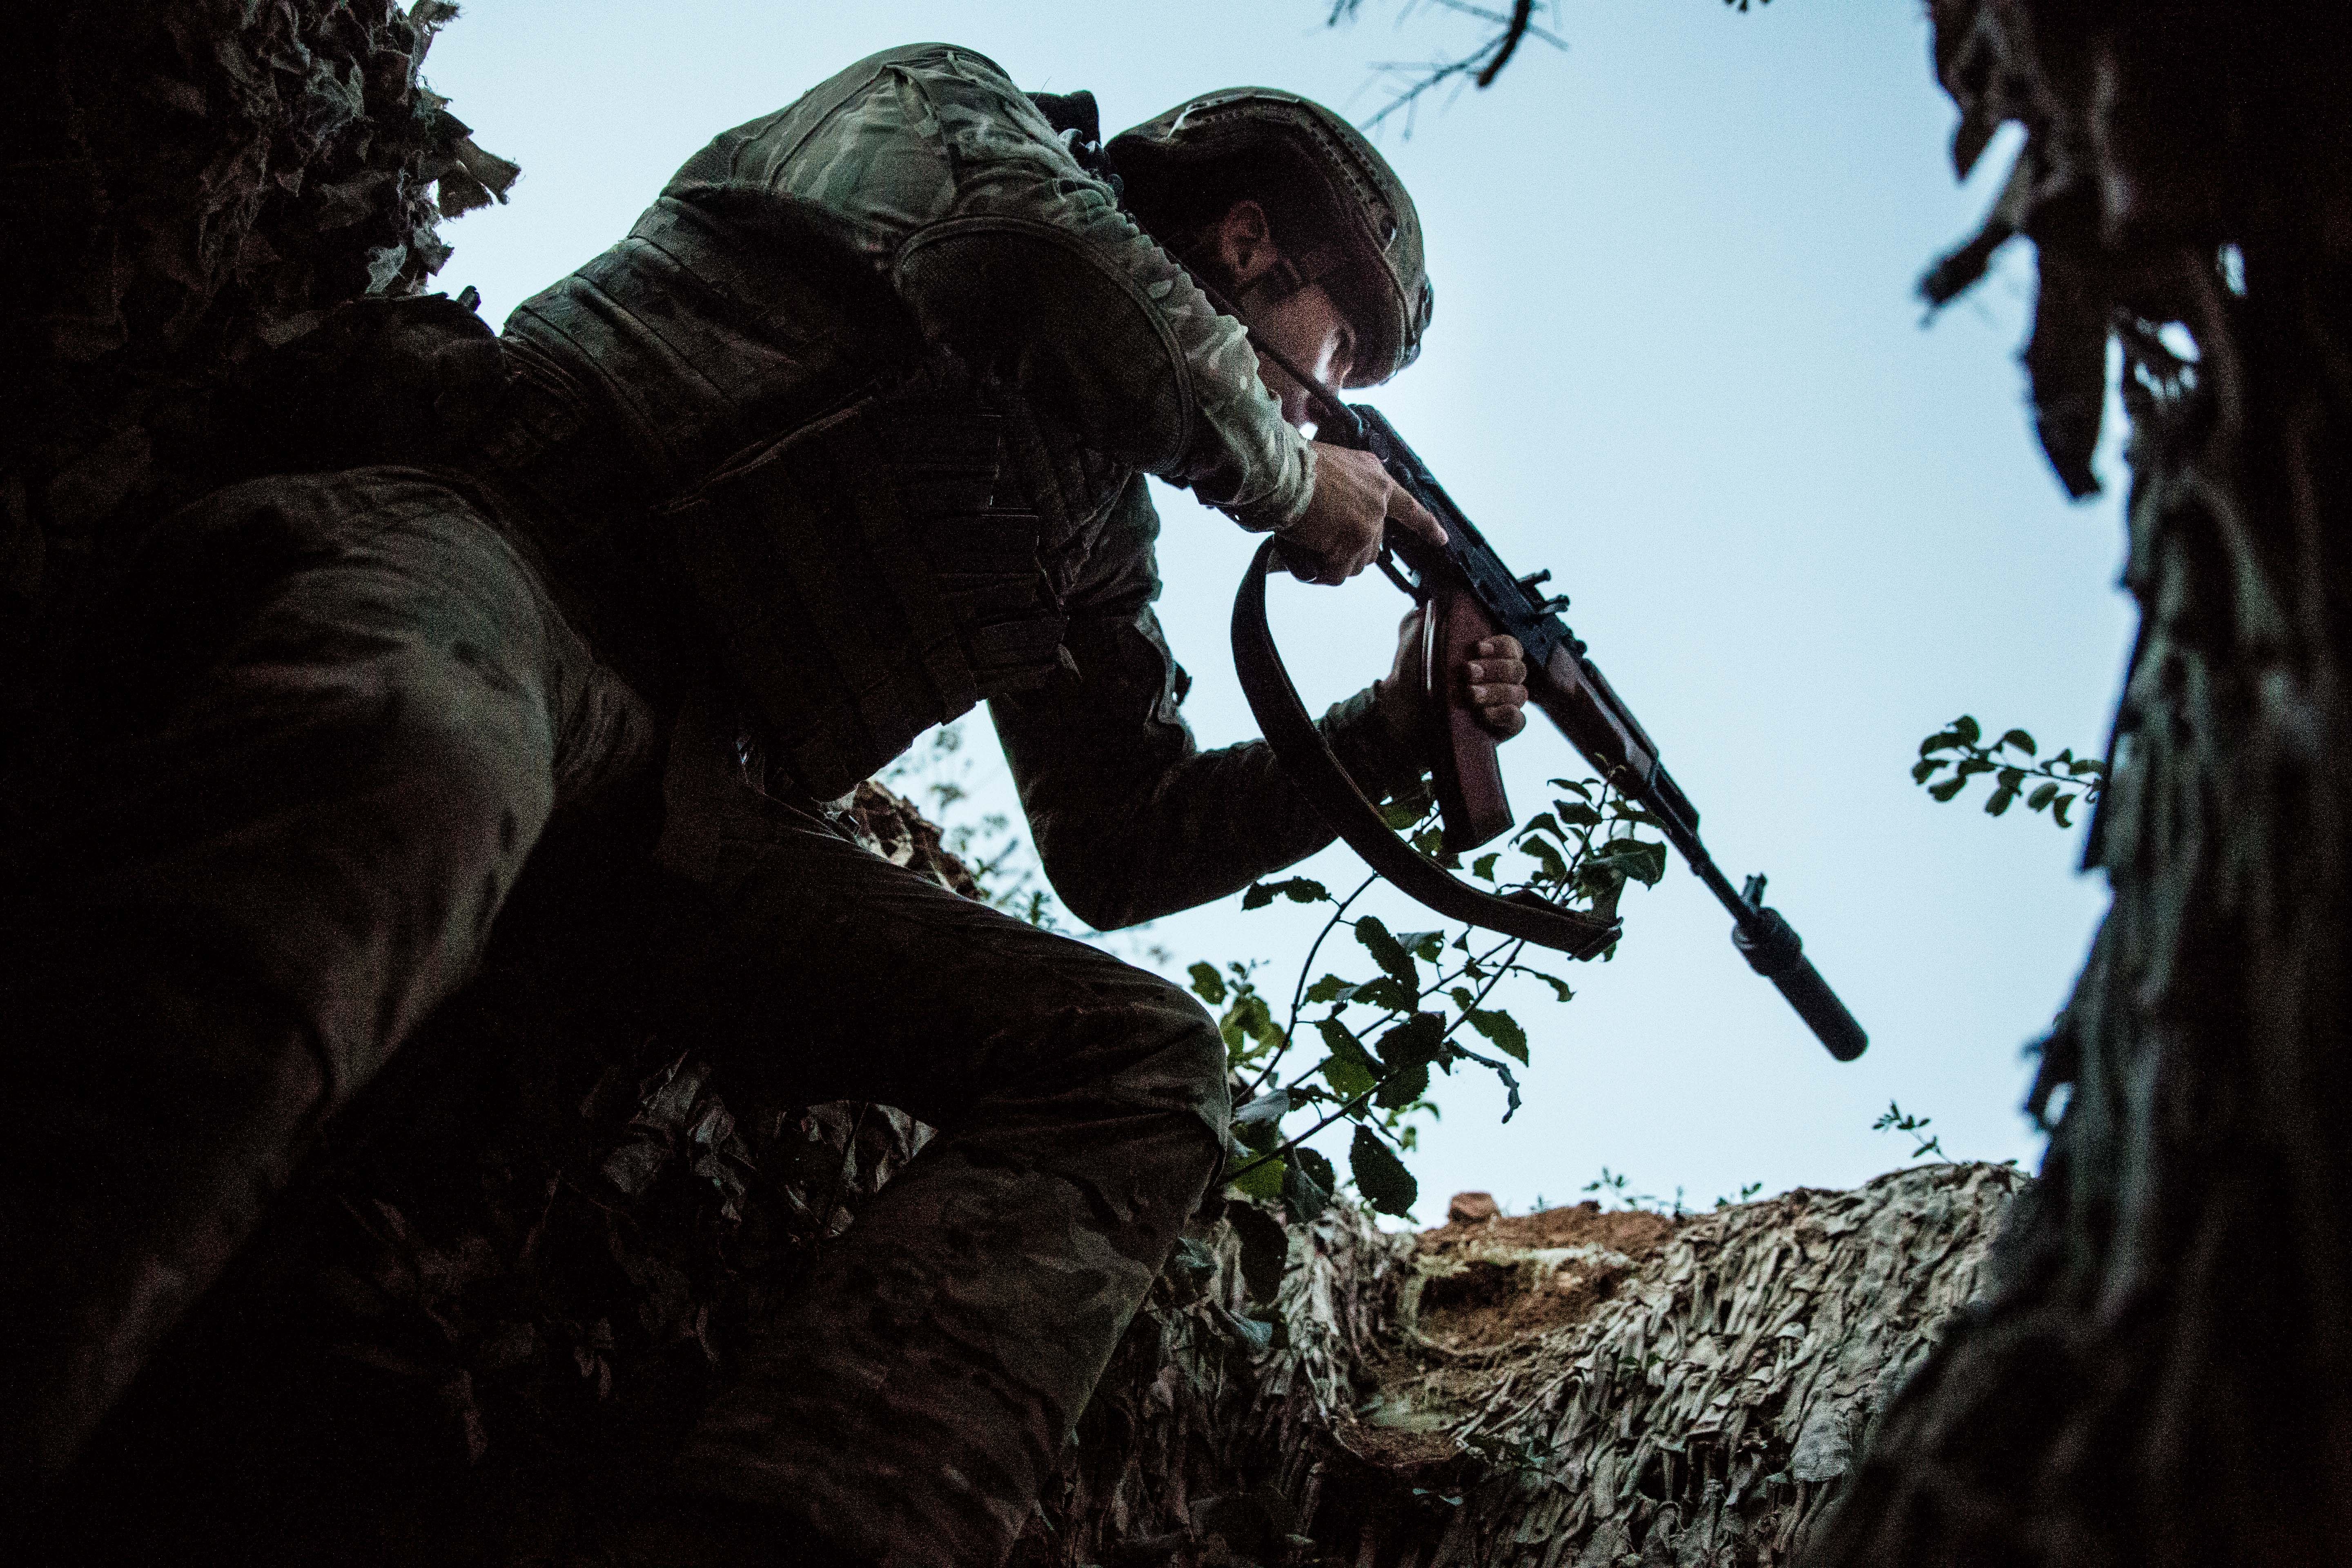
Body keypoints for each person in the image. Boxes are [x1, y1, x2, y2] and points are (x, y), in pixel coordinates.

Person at [0, 41, 1532, 1567]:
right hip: (501, 549)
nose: (1327, 408)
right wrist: (1283, 479)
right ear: (1251, 241)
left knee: (1140, 1061)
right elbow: (1024, 262)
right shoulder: (958, 120)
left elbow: (1121, 840)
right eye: (1337, 355)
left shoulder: (1097, 527)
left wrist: (1397, 728)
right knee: (428, 743)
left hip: (688, 806)